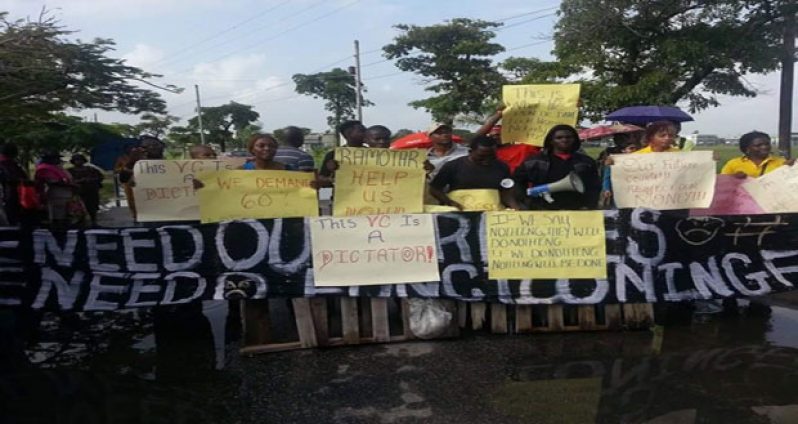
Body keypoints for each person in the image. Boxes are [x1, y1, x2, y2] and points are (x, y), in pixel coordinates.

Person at [514, 124, 601, 210]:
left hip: (577, 209)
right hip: (542, 208)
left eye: (569, 137)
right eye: (559, 138)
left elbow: (594, 186)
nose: (564, 140)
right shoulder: (534, 161)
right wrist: (526, 201)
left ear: (575, 139)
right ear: (551, 141)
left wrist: (589, 205)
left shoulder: (586, 162)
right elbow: (517, 182)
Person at [429, 135, 522, 210]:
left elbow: (506, 192)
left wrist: (515, 207)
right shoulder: (453, 166)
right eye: (481, 156)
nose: (487, 160)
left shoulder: (502, 167)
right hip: (461, 211)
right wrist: (449, 202)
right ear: (470, 152)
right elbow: (434, 188)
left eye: (492, 156)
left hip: (492, 213)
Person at [475, 105, 541, 173]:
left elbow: (541, 136)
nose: (495, 137)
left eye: (498, 134)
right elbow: (477, 138)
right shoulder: (487, 153)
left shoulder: (525, 148)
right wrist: (499, 114)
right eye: (492, 136)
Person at [115, 135, 165, 221]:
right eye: (147, 146)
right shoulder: (135, 164)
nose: (153, 148)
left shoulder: (170, 165)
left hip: (167, 211)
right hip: (142, 212)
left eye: (156, 145)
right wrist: (131, 162)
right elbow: (123, 179)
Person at [35, 151, 86, 228]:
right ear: (50, 159)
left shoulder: (56, 167)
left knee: (69, 215)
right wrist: (71, 185)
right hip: (56, 194)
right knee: (58, 216)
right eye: (56, 158)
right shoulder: (44, 168)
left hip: (65, 194)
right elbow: (52, 181)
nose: (58, 160)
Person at [721, 131, 791, 178]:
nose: (764, 147)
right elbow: (723, 184)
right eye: (758, 145)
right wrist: (734, 178)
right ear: (747, 149)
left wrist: (792, 168)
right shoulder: (733, 164)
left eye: (767, 144)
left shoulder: (781, 163)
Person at [318, 120, 368, 185]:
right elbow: (321, 177)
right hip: (343, 193)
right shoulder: (333, 155)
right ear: (349, 134)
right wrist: (333, 178)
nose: (366, 134)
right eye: (362, 131)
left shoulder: (373, 154)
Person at [599, 136, 641, 208]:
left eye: (636, 148)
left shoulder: (643, 161)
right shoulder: (613, 161)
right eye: (631, 148)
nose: (634, 150)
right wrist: (607, 189)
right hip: (619, 193)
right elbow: (607, 177)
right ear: (623, 150)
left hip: (637, 192)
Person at [67, 154, 104, 226]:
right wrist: (80, 181)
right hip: (78, 192)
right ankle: (81, 221)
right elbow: (68, 181)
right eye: (76, 160)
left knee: (92, 207)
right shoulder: (70, 171)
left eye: (80, 160)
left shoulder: (91, 169)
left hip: (91, 191)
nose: (78, 162)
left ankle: (94, 221)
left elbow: (100, 177)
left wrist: (90, 180)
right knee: (79, 207)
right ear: (73, 162)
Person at [0, 143, 30, 226]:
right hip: (8, 193)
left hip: (15, 193)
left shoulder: (12, 164)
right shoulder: (6, 164)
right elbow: (8, 178)